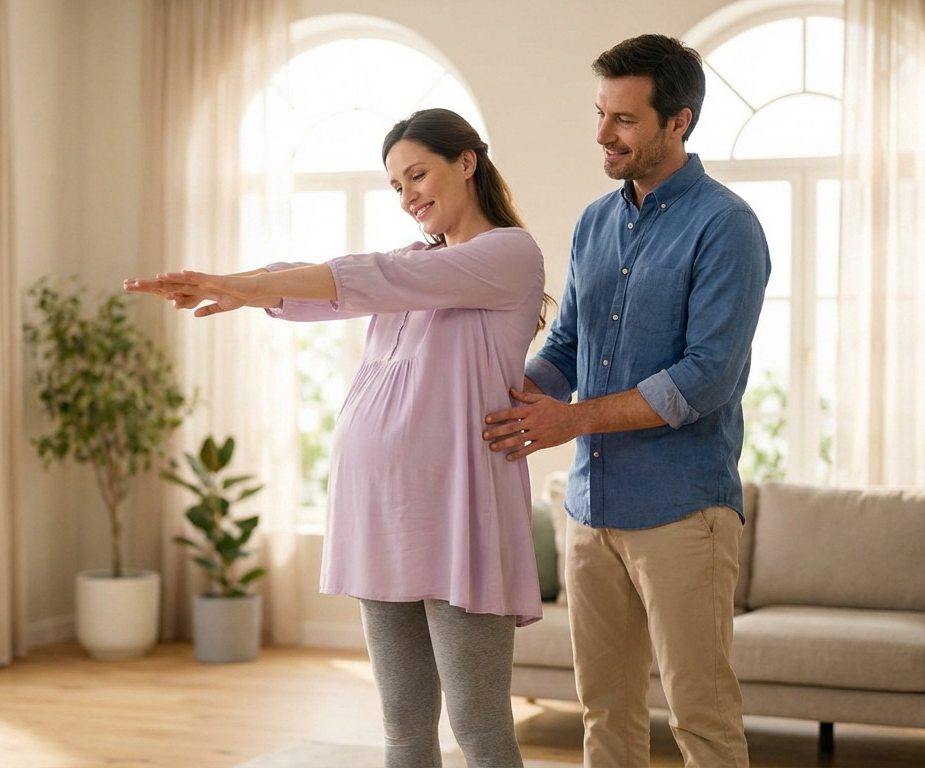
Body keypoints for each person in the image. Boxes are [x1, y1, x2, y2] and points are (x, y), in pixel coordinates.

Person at [126, 108, 549, 768]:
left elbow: (368, 277)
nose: (408, 196)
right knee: (403, 722)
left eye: (418, 174)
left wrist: (241, 285)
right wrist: (240, 289)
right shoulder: (415, 260)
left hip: (460, 509)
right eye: (395, 185)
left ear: (466, 162)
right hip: (379, 511)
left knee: (478, 723)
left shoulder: (507, 255)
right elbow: (335, 288)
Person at [482, 34, 770, 768]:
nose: (603, 135)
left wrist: (569, 420)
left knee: (701, 719)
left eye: (625, 120)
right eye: (600, 114)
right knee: (604, 714)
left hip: (683, 511)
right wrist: (503, 395)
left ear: (679, 123)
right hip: (589, 508)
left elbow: (706, 376)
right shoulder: (595, 223)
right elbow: (568, 346)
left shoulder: (725, 226)